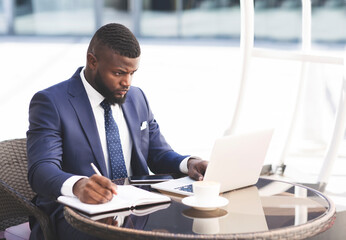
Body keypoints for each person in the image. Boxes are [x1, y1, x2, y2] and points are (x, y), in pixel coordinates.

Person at [27, 23, 208, 239]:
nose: (127, 82)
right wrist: (78, 185)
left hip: (138, 208)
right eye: (119, 73)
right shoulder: (52, 102)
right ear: (92, 61)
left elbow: (158, 153)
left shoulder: (137, 98)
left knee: (195, 223)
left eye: (133, 73)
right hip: (77, 214)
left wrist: (189, 163)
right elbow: (41, 169)